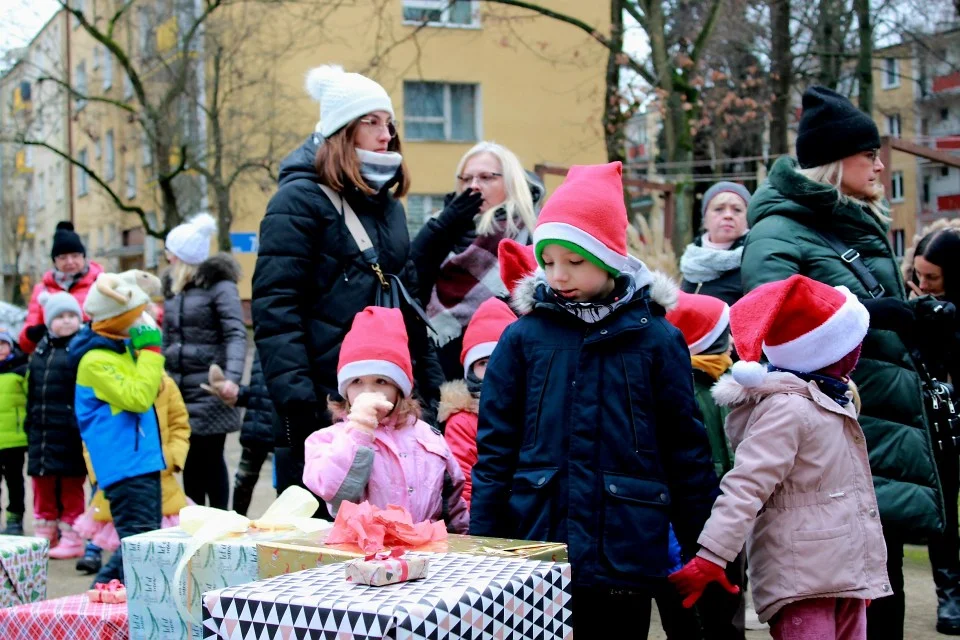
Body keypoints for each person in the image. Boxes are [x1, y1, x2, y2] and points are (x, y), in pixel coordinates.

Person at [469, 161, 720, 636]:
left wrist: (703, 549)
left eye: (575, 261)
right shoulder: (523, 339)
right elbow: (495, 449)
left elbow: (686, 450)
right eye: (548, 261)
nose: (558, 275)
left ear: (608, 257)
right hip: (537, 547)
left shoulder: (657, 339)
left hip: (624, 550)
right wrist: (484, 543)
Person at [741, 85, 943, 640]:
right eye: (868, 154)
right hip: (832, 423)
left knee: (884, 570)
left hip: (877, 411)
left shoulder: (852, 218)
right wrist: (877, 313)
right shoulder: (781, 228)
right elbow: (768, 312)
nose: (880, 164)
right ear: (836, 162)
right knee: (857, 581)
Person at [252, 64, 443, 499]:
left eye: (389, 122)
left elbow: (408, 303)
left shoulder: (389, 207)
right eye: (371, 122)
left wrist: (429, 393)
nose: (386, 134)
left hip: (393, 403)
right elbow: (275, 308)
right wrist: (302, 405)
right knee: (327, 538)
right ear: (342, 131)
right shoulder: (298, 200)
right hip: (329, 403)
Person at [670, 275, 890, 640]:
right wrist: (712, 555)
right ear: (829, 352)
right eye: (852, 344)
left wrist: (859, 567)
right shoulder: (787, 410)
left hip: (843, 577)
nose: (858, 352)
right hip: (803, 578)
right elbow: (746, 486)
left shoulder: (832, 400)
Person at [302, 307, 468, 531]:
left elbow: (452, 499)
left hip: (423, 549)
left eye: (381, 381)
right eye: (357, 382)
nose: (367, 391)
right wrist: (359, 430)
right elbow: (335, 490)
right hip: (362, 555)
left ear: (400, 388)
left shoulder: (429, 436)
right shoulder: (328, 440)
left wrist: (462, 537)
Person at [410, 142, 543, 379]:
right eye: (466, 178)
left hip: (505, 362)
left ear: (511, 182)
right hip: (440, 363)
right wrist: (439, 229)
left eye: (486, 177)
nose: (473, 186)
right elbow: (412, 279)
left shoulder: (530, 231)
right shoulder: (443, 226)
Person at [70, 269, 166, 585]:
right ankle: (95, 602)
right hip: (125, 467)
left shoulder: (120, 350)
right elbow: (138, 397)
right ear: (118, 319)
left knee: (140, 547)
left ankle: (98, 597)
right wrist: (151, 353)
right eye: (136, 315)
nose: (144, 320)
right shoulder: (95, 360)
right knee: (139, 550)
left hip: (141, 462)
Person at [162, 213, 247, 511]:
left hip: (211, 388)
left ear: (180, 256)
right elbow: (167, 338)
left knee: (211, 458)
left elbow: (236, 333)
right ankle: (195, 522)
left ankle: (219, 521)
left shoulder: (220, 287)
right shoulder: (173, 287)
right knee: (189, 459)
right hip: (180, 389)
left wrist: (231, 379)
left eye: (169, 251)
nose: (166, 256)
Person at [902, 221, 960, 635]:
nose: (923, 284)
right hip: (939, 423)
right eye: (918, 275)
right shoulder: (919, 306)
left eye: (933, 278)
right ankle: (950, 593)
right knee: (943, 509)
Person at [75, 371, 190, 554]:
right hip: (118, 477)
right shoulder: (110, 385)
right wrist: (100, 471)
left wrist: (172, 458)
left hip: (161, 478)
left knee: (153, 544)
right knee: (129, 544)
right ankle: (99, 562)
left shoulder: (165, 384)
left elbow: (179, 424)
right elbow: (91, 436)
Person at [24, 292, 87, 557]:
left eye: (72, 316)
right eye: (60, 317)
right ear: (49, 322)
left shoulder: (81, 348)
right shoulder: (41, 350)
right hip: (42, 430)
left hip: (70, 430)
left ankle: (73, 535)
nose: (66, 321)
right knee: (43, 483)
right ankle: (45, 532)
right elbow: (33, 389)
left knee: (71, 484)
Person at [439, 297, 517, 506]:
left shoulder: (536, 409)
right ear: (471, 371)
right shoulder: (463, 422)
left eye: (498, 357)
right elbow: (463, 486)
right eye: (483, 362)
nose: (492, 368)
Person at [202, 350, 275, 516]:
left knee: (287, 491)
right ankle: (236, 528)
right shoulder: (261, 348)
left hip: (282, 433)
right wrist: (235, 393)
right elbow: (258, 393)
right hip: (254, 430)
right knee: (242, 486)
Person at [19, 221, 104, 354]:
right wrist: (32, 334)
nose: (70, 262)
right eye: (63, 257)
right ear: (55, 261)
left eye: (75, 256)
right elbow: (25, 344)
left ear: (84, 257)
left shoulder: (102, 284)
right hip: (54, 360)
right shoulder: (42, 290)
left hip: (93, 355)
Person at [679, 182, 752, 306]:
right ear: (704, 219)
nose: (728, 215)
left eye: (737, 210)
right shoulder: (691, 262)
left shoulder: (753, 260)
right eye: (719, 209)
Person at [0, 329, 28, 535]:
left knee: (15, 481)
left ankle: (15, 517)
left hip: (14, 439)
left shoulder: (20, 370)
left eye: (3, 344)